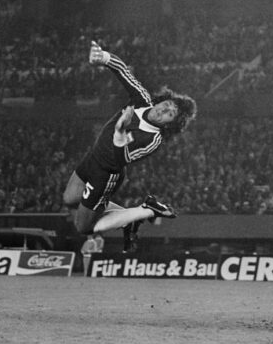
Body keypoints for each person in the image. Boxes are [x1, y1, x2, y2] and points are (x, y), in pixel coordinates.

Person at [62, 41, 197, 252]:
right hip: (93, 157)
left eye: (170, 114)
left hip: (106, 174)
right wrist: (103, 57)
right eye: (167, 104)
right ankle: (128, 220)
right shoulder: (142, 100)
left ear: (169, 124)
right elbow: (123, 71)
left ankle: (144, 211)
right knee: (69, 199)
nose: (164, 110)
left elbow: (120, 159)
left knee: (83, 227)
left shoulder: (153, 139)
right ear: (161, 100)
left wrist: (120, 131)